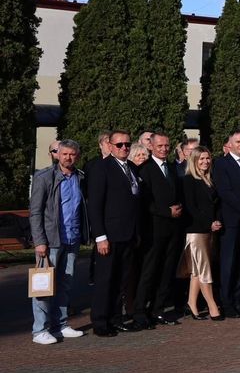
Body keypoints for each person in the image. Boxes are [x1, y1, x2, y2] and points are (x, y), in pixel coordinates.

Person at [29, 139, 87, 344]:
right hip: (50, 240)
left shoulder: (79, 177)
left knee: (65, 284)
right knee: (44, 285)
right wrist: (39, 241)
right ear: (57, 154)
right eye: (64, 154)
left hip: (72, 238)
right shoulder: (44, 177)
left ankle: (60, 325)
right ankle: (40, 330)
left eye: (72, 154)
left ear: (77, 156)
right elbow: (35, 212)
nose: (68, 158)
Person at [87, 130, 141, 337]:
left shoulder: (131, 168)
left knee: (121, 279)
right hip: (109, 236)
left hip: (128, 234)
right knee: (105, 279)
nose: (124, 148)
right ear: (110, 146)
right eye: (119, 145)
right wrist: (100, 236)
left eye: (127, 144)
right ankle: (100, 321)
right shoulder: (102, 168)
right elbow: (96, 205)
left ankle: (116, 318)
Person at [133, 131, 184, 328]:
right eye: (160, 146)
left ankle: (158, 309)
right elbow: (145, 202)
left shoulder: (172, 168)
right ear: (151, 147)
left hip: (173, 228)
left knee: (167, 270)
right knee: (149, 271)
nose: (164, 149)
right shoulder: (145, 170)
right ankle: (139, 311)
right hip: (154, 229)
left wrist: (178, 208)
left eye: (167, 146)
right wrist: (166, 211)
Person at [212, 130, 240, 318]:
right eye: (237, 141)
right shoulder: (222, 164)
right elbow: (225, 192)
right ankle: (226, 302)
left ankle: (238, 300)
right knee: (228, 263)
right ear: (230, 144)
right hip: (230, 221)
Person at [180, 147, 223, 321]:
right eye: (201, 159)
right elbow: (191, 207)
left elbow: (215, 204)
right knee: (204, 269)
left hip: (210, 230)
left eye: (207, 158)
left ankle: (191, 302)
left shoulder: (209, 179)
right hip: (196, 231)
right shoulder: (189, 180)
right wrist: (208, 223)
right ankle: (212, 306)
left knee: (198, 271)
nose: (205, 162)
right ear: (194, 160)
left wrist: (217, 221)